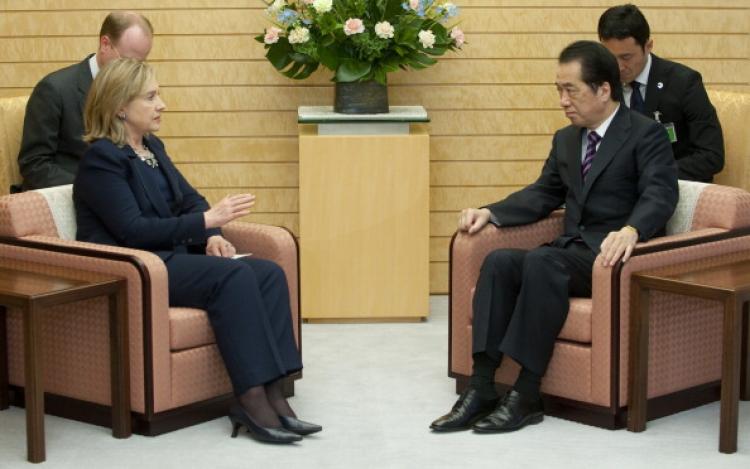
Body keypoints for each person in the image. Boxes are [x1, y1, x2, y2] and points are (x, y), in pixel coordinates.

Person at [430, 41, 678, 434]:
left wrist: (632, 229)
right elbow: (543, 193)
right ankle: (481, 386)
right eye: (558, 90)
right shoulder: (567, 138)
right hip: (570, 252)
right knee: (499, 262)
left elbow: (661, 193)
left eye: (571, 90)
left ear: (603, 90)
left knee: (541, 261)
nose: (563, 100)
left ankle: (527, 393)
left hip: (612, 257)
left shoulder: (645, 135)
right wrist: (490, 211)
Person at [73, 58, 321, 444]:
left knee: (268, 273)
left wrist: (212, 233)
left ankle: (278, 392)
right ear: (120, 106)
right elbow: (132, 230)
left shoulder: (151, 147)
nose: (162, 104)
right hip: (138, 265)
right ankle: (250, 398)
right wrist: (205, 222)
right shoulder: (101, 160)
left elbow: (191, 200)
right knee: (234, 276)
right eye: (152, 96)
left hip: (171, 257)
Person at [17, 11, 154, 191]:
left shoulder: (134, 92)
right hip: (72, 197)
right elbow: (34, 164)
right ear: (105, 44)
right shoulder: (54, 90)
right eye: (128, 61)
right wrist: (96, 187)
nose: (133, 71)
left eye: (140, 63)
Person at [598, 3, 724, 182]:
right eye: (611, 57)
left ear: (648, 46)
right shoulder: (602, 86)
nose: (618, 67)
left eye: (626, 57)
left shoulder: (684, 82)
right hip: (620, 193)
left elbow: (712, 156)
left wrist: (652, 174)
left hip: (674, 186)